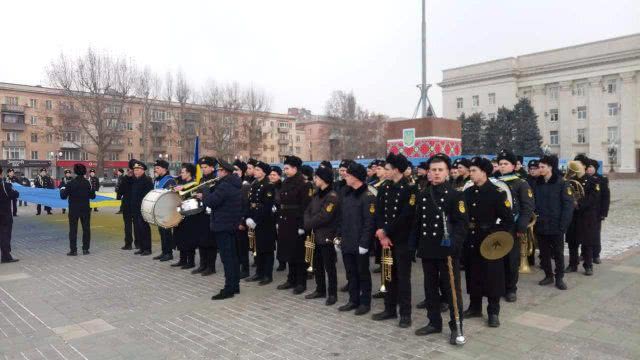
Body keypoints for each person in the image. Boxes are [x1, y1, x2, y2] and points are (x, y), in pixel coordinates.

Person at [414, 154, 467, 345]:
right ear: (428, 172)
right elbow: (418, 223)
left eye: (440, 170)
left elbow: (461, 225)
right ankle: (434, 322)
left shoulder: (456, 195)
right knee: (430, 288)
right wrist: (415, 246)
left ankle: (456, 327)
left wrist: (454, 246)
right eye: (433, 170)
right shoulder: (423, 194)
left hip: (447, 250)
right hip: (428, 248)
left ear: (447, 172)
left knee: (452, 290)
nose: (436, 173)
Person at [462, 157, 513, 328]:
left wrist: (494, 235)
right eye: (470, 171)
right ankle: (475, 307)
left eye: (473, 170)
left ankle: (493, 311)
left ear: (484, 172)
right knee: (473, 273)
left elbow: (507, 220)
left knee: (492, 277)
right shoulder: (467, 193)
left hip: (490, 241)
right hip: (472, 239)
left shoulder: (497, 193)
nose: (470, 174)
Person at [372, 152, 416, 328]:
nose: (385, 171)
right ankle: (389, 309)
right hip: (386, 239)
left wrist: (386, 230)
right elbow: (379, 211)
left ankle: (405, 314)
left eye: (388, 169)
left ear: (397, 170)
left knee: (403, 278)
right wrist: (382, 233)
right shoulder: (384, 187)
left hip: (402, 240)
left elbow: (406, 216)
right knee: (388, 275)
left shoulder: (410, 189)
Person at [495, 149, 535, 303]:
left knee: (511, 259)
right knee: (498, 257)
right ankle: (499, 287)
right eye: (500, 164)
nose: (503, 166)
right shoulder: (495, 182)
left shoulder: (521, 183)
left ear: (513, 166)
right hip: (498, 225)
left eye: (506, 164)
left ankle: (511, 289)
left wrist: (521, 227)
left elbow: (527, 207)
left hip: (513, 226)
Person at [201, 158, 242, 300]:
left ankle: (229, 288)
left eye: (219, 171)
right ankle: (235, 285)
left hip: (223, 225)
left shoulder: (225, 186)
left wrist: (205, 191)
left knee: (227, 258)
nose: (217, 173)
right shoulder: (233, 184)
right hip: (230, 224)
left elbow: (211, 202)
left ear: (224, 172)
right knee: (233, 257)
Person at [337, 162, 375, 315]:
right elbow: (341, 218)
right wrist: (338, 237)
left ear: (356, 177)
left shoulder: (368, 195)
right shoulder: (346, 193)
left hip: (360, 242)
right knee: (350, 272)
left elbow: (370, 222)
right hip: (347, 240)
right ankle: (353, 300)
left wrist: (365, 243)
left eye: (348, 174)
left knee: (362, 273)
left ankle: (365, 302)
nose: (345, 176)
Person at [534, 155, 573, 290]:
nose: (539, 169)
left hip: (556, 225)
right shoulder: (537, 183)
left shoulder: (561, 183)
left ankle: (559, 278)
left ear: (550, 167)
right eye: (539, 167)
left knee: (558, 253)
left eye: (542, 167)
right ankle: (548, 275)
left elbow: (568, 206)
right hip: (540, 224)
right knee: (544, 253)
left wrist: (563, 225)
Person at [303, 165, 339, 305]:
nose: (314, 179)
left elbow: (325, 216)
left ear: (324, 179)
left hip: (327, 236)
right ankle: (320, 289)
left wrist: (308, 224)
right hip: (316, 235)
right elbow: (308, 210)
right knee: (317, 264)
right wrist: (307, 222)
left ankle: (332, 293)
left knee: (329, 266)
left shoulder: (332, 196)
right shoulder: (317, 194)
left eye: (317, 177)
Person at [276, 155, 312, 294]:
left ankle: (301, 282)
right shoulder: (286, 182)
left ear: (295, 168)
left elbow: (306, 206)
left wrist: (303, 226)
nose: (284, 171)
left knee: (298, 254)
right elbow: (282, 203)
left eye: (287, 168)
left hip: (296, 222)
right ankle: (290, 279)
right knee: (288, 252)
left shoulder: (303, 183)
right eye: (284, 168)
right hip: (285, 221)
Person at [565, 155, 599, 276]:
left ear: (584, 166)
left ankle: (588, 265)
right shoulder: (570, 180)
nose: (576, 165)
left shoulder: (592, 180)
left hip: (586, 216)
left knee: (587, 243)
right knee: (572, 242)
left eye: (578, 163)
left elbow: (593, 198)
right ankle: (572, 264)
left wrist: (578, 203)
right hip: (573, 216)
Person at [244, 161, 277, 285]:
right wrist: (247, 217)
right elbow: (250, 202)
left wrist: (255, 220)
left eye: (258, 170)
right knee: (257, 248)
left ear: (264, 172)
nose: (255, 171)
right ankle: (259, 272)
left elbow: (267, 206)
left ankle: (267, 275)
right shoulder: (254, 183)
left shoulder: (268, 185)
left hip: (265, 221)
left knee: (267, 249)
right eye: (255, 169)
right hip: (254, 219)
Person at [60, 164, 96, 256]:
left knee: (73, 230)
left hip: (73, 210)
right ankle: (85, 249)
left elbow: (63, 196)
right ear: (84, 172)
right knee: (86, 229)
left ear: (75, 172)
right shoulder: (87, 183)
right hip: (85, 209)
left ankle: (73, 250)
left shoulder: (70, 183)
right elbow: (93, 196)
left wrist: (62, 189)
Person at [192, 156, 219, 276]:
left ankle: (211, 266)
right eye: (202, 167)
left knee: (210, 241)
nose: (203, 169)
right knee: (201, 239)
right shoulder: (202, 179)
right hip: (201, 212)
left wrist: (204, 197)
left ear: (212, 168)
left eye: (205, 167)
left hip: (211, 213)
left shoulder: (216, 180)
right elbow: (199, 191)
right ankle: (202, 264)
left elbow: (217, 196)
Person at [171, 163, 199, 269]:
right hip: (180, 213)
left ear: (189, 173)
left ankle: (190, 261)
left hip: (190, 215)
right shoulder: (181, 183)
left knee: (189, 238)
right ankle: (182, 260)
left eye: (183, 172)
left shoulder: (194, 184)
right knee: (180, 236)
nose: (181, 174)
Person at [152, 159, 176, 262]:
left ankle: (169, 253)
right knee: (161, 232)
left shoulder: (169, 180)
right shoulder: (157, 180)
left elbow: (170, 196)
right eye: (155, 168)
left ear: (164, 169)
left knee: (167, 232)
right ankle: (164, 251)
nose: (155, 170)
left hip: (167, 210)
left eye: (158, 168)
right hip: (159, 209)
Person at [586, 159, 610, 264]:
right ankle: (585, 254)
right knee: (584, 234)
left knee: (595, 234)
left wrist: (603, 213)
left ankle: (596, 255)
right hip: (584, 212)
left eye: (591, 167)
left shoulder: (602, 180)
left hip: (596, 212)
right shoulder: (583, 179)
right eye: (587, 167)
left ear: (595, 168)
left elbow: (606, 198)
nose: (589, 169)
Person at [130, 161, 154, 256]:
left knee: (144, 228)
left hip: (143, 208)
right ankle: (141, 247)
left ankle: (147, 249)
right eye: (135, 170)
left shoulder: (147, 180)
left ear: (143, 170)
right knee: (138, 229)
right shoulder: (136, 180)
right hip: (135, 208)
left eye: (138, 169)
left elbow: (148, 195)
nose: (135, 171)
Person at [233, 159, 251, 279]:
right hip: (232, 220)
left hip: (241, 221)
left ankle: (245, 269)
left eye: (237, 170)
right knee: (235, 246)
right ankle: (237, 267)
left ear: (243, 172)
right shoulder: (232, 184)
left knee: (242, 247)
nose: (235, 172)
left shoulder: (245, 186)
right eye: (233, 170)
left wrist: (242, 221)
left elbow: (246, 206)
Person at [0, 166, 19, 263]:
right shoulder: (5, 185)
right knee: (5, 235)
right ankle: (6, 256)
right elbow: (15, 194)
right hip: (4, 214)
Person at [269, 165, 285, 271]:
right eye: (270, 174)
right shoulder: (268, 186)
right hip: (270, 218)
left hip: (279, 217)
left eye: (274, 175)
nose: (271, 176)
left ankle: (282, 262)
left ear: (279, 176)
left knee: (281, 242)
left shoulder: (282, 187)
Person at [117, 163, 136, 250]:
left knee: (130, 225)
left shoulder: (125, 179)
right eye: (128, 170)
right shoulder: (137, 179)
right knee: (134, 225)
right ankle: (136, 243)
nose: (129, 172)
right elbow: (120, 190)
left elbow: (120, 190)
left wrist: (118, 197)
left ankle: (129, 244)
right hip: (134, 204)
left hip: (129, 204)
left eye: (129, 170)